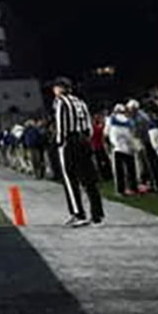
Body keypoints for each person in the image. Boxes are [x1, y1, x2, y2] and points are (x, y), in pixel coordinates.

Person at [50, 77, 104, 226]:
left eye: (55, 87)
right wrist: (86, 140)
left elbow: (62, 126)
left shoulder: (61, 101)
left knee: (70, 179)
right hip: (84, 142)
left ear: (61, 88)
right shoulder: (80, 102)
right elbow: (89, 127)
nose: (54, 90)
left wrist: (60, 142)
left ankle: (78, 213)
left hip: (70, 142)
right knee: (89, 180)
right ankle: (97, 214)